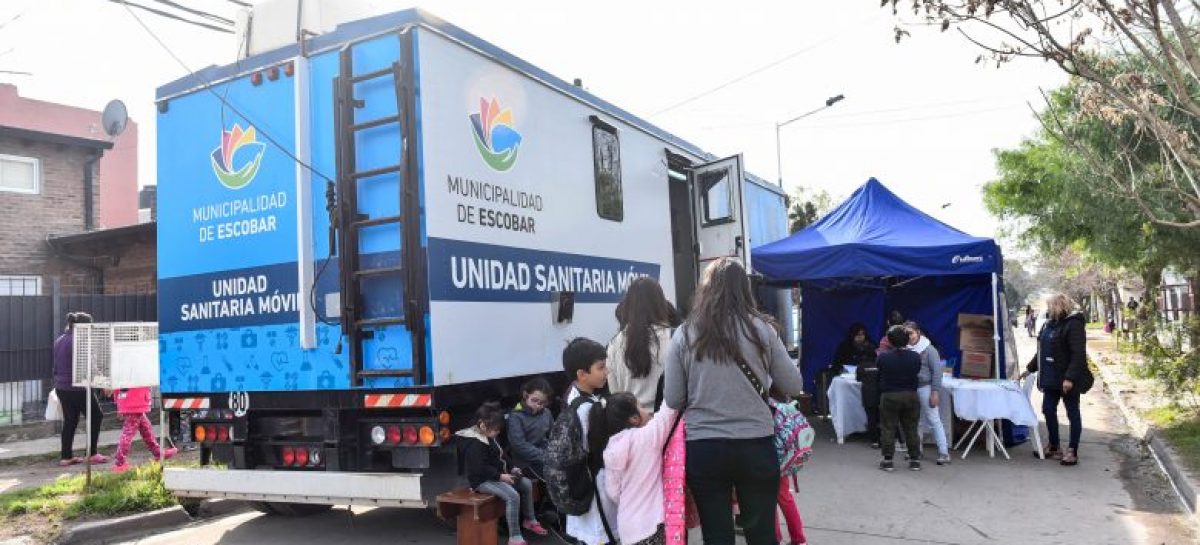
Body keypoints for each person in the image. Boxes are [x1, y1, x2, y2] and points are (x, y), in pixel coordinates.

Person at [663, 258, 804, 545]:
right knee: (761, 533)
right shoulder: (763, 330)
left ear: (707, 289)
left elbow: (673, 398)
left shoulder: (685, 333)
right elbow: (794, 385)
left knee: (716, 536)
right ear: (745, 289)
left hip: (704, 448)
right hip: (755, 445)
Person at [594, 392, 679, 545]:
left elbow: (613, 493)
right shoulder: (646, 438)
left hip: (628, 529)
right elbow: (668, 411)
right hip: (652, 524)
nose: (645, 409)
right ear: (634, 418)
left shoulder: (611, 449)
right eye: (640, 406)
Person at [457, 402, 548, 545]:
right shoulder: (474, 443)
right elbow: (479, 469)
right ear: (482, 425)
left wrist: (512, 468)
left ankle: (530, 520)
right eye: (495, 430)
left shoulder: (489, 436)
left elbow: (502, 456)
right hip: (482, 482)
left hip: (496, 476)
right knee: (512, 496)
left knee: (526, 484)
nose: (497, 433)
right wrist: (500, 476)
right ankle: (515, 537)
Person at [1022, 294, 1094, 466]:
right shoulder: (1049, 324)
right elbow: (1042, 351)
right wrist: (1029, 369)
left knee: (1072, 413)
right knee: (1047, 409)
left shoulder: (1074, 324)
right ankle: (1054, 445)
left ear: (1060, 306)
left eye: (1050, 306)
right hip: (1050, 378)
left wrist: (1069, 378)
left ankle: (1072, 450)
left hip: (1067, 378)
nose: (1048, 309)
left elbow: (1078, 355)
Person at [562, 337, 619, 545]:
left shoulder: (574, 398)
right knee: (599, 536)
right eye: (601, 367)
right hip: (595, 487)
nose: (607, 372)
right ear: (582, 374)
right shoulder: (586, 408)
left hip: (584, 487)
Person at [608, 278, 675, 410]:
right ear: (661, 303)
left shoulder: (614, 344)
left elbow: (615, 393)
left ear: (628, 305)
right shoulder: (675, 338)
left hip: (630, 424)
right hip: (667, 424)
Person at [53, 312, 108, 467]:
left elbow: (56, 367)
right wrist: (103, 383)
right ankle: (91, 453)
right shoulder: (80, 341)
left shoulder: (60, 340)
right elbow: (90, 367)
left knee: (70, 420)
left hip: (61, 387)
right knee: (96, 416)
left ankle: (66, 457)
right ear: (84, 326)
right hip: (78, 388)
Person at [875, 325, 923, 472]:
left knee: (888, 427)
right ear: (907, 339)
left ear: (889, 341)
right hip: (911, 394)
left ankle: (888, 460)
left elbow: (880, 373)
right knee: (911, 428)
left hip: (890, 395)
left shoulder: (883, 358)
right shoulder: (915, 357)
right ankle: (915, 459)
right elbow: (917, 371)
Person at [905, 322, 950, 465]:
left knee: (934, 420)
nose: (909, 336)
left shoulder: (930, 350)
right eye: (906, 334)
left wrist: (935, 391)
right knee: (915, 421)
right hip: (911, 388)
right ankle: (916, 451)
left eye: (911, 333)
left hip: (926, 388)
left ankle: (944, 453)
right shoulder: (906, 349)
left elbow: (937, 372)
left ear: (918, 332)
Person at [112, 387, 179, 472]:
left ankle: (158, 453)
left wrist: (119, 404)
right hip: (136, 401)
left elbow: (118, 384)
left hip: (132, 401)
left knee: (146, 429)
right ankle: (119, 463)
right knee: (128, 433)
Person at [508, 377, 554, 479]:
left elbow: (553, 436)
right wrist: (545, 456)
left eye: (542, 403)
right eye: (534, 400)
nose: (538, 405)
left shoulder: (546, 413)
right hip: (525, 463)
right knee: (553, 474)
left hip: (546, 455)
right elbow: (519, 445)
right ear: (525, 395)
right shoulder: (516, 416)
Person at [855, 347, 882, 448]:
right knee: (881, 417)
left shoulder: (861, 366)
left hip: (868, 395)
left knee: (871, 418)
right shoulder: (879, 365)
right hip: (880, 394)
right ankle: (883, 439)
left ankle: (874, 441)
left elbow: (858, 379)